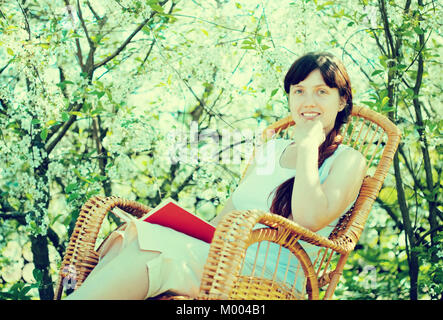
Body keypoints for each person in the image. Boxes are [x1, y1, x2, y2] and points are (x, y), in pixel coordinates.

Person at [65, 52, 367, 300]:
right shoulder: (271, 148)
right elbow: (227, 217)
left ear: (341, 101)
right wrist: (179, 227)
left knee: (149, 253)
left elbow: (310, 219)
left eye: (321, 92)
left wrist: (308, 147)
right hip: (225, 256)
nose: (308, 101)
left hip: (268, 275)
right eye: (299, 91)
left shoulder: (349, 160)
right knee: (133, 237)